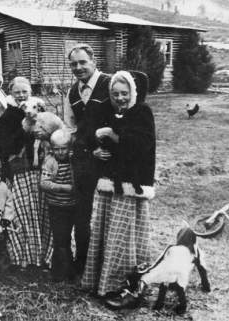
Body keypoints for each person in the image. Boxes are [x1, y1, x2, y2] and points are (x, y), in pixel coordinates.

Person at [81, 70, 156, 302]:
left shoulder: (142, 112)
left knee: (123, 234)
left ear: (133, 92)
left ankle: (127, 284)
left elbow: (141, 145)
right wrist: (94, 149)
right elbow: (86, 134)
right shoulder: (105, 110)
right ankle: (101, 280)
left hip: (129, 184)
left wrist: (112, 135)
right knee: (106, 231)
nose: (120, 98)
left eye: (124, 93)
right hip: (107, 182)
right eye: (115, 94)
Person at [63, 43, 114, 275]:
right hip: (84, 160)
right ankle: (83, 261)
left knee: (108, 211)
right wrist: (85, 150)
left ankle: (109, 262)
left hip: (110, 159)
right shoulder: (72, 93)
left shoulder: (110, 84)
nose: (78, 67)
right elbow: (72, 129)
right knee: (82, 212)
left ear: (93, 61)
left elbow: (123, 119)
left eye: (83, 62)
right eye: (73, 64)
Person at [0, 77, 55, 268]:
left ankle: (46, 254)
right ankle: (26, 256)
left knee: (42, 210)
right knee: (24, 212)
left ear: (30, 91)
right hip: (21, 170)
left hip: (40, 168)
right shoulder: (8, 116)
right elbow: (5, 145)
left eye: (24, 91)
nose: (21, 96)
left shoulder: (39, 108)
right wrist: (23, 131)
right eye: (17, 92)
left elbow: (51, 132)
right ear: (11, 94)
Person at [40, 129, 76, 282]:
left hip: (72, 205)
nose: (60, 152)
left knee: (67, 238)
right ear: (52, 148)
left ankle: (69, 269)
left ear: (69, 148)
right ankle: (60, 273)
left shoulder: (73, 160)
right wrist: (64, 187)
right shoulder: (50, 162)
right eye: (57, 149)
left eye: (64, 148)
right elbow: (44, 183)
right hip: (57, 206)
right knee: (60, 239)